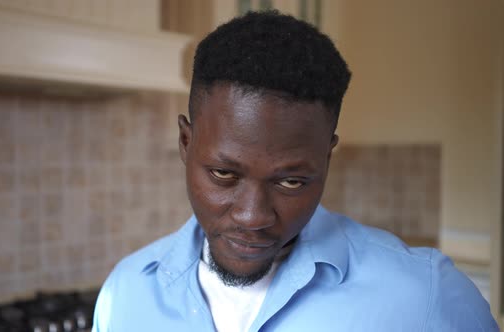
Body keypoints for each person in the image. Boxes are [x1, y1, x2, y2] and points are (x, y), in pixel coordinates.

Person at [92, 10, 499, 331]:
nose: (253, 216)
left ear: (327, 158)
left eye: (291, 181)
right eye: (223, 174)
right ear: (185, 142)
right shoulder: (125, 295)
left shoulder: (426, 298)